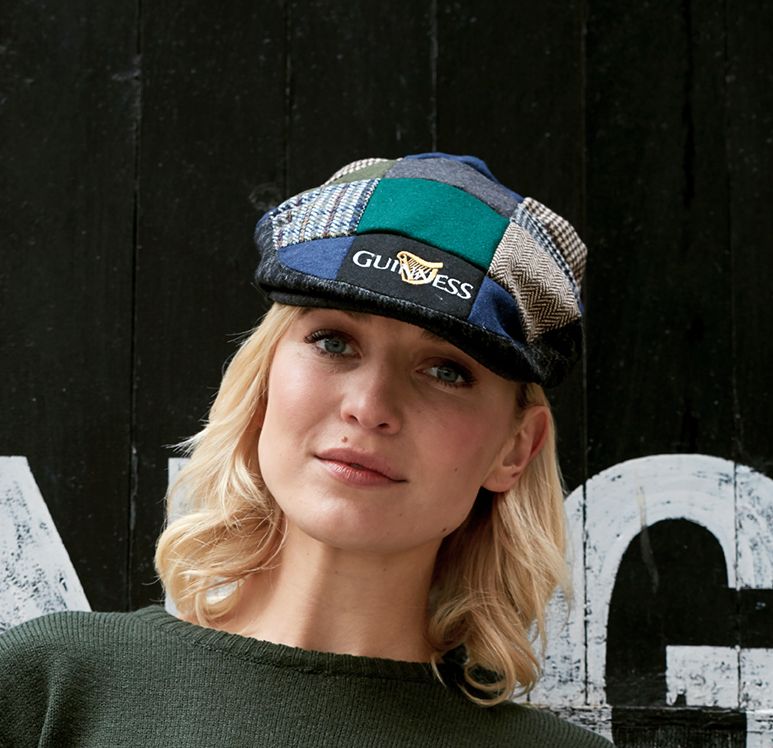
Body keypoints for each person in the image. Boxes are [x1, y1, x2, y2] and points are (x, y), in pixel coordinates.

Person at [0, 153, 612, 746]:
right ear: (264, 376)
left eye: (446, 370)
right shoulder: (53, 688)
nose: (369, 407)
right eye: (333, 341)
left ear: (515, 448)